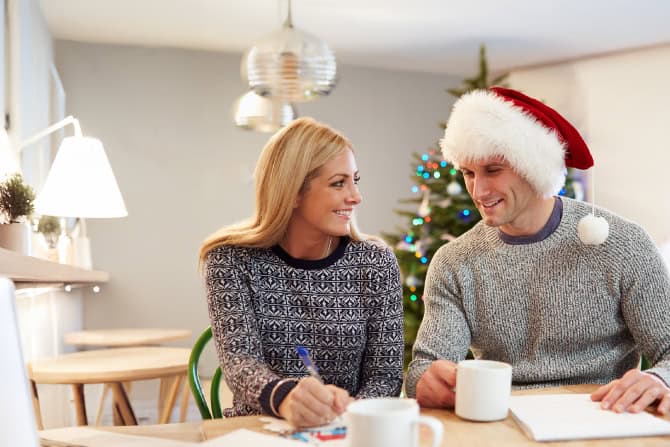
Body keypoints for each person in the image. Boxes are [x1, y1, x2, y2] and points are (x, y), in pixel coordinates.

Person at [405, 87, 670, 416]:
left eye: (493, 169)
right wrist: (426, 381)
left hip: (604, 418)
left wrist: (661, 378)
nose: (479, 190)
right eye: (468, 173)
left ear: (534, 166)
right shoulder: (454, 262)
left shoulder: (624, 244)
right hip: (501, 421)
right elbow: (423, 371)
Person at [199, 117, 403, 427]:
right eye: (338, 183)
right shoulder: (230, 259)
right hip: (256, 431)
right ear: (292, 191)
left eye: (355, 180)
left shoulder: (376, 264)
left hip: (346, 432)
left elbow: (385, 377)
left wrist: (349, 413)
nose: (355, 196)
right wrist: (286, 398)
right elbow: (240, 364)